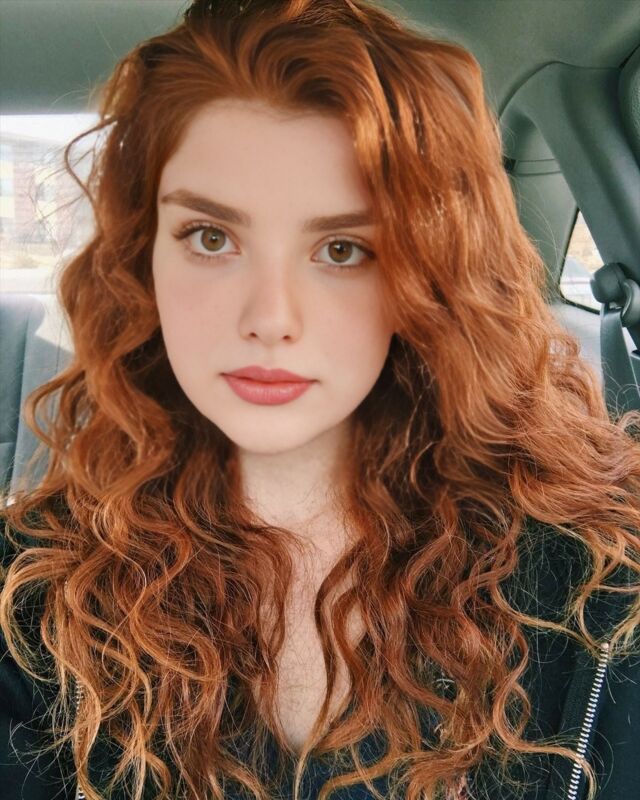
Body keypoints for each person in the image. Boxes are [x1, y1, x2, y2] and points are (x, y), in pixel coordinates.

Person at [1, 1, 639, 799]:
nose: (271, 318)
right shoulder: (34, 597)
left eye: (342, 249)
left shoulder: (599, 580)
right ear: (142, 259)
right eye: (210, 237)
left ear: (427, 276)